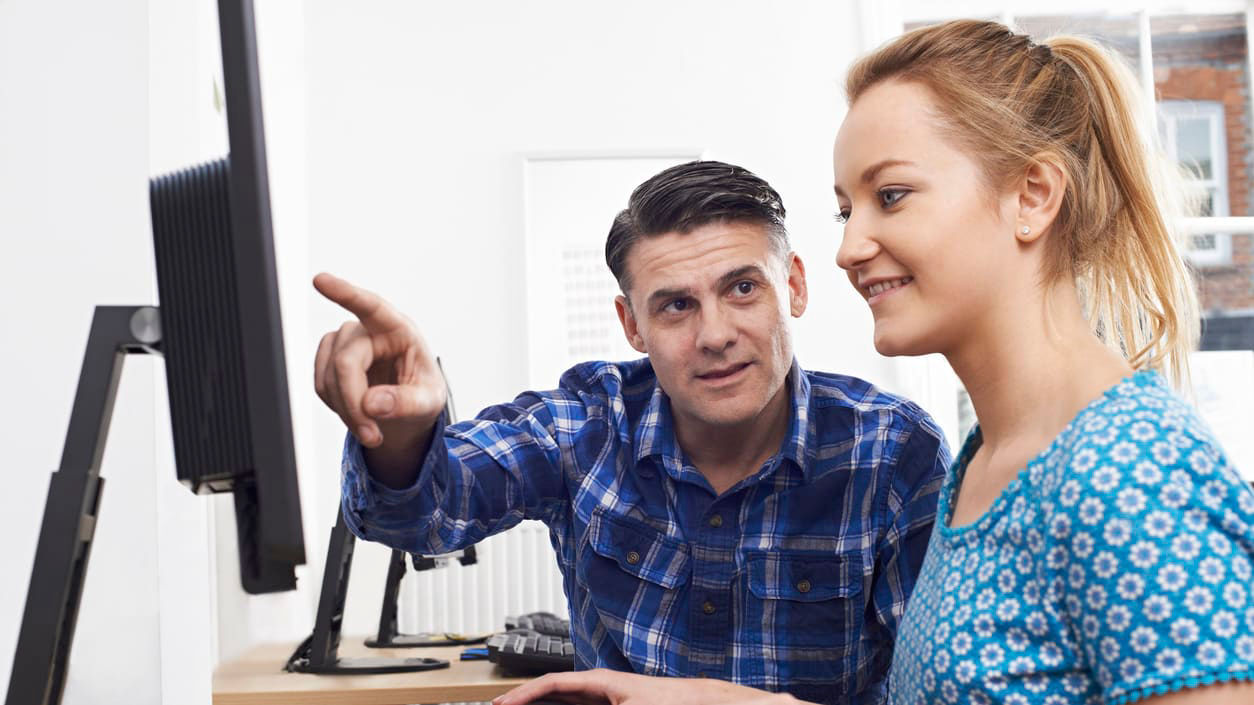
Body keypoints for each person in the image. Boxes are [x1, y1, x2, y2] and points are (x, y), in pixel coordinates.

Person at [497, 18, 1254, 705]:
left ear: (1032, 195)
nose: (850, 247)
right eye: (845, 208)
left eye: (891, 196)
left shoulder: (1132, 469)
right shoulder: (985, 464)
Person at [313, 160, 951, 704]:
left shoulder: (893, 452)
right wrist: (403, 429)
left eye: (743, 288)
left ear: (795, 287)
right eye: (676, 305)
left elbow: (933, 693)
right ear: (631, 326)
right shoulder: (588, 423)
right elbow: (421, 514)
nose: (716, 334)